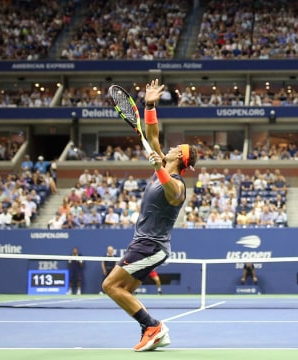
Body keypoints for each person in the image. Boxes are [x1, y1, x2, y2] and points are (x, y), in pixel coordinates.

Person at [101, 79, 198, 352]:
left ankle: (153, 326)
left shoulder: (176, 183)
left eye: (175, 149)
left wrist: (160, 170)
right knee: (121, 289)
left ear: (179, 157)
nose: (169, 147)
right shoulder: (161, 161)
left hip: (151, 246)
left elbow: (173, 192)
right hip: (144, 244)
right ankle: (152, 329)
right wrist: (150, 104)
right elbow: (152, 134)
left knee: (110, 285)